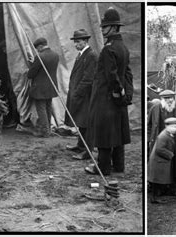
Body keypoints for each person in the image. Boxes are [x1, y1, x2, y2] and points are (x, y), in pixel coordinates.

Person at [84, 7, 134, 175]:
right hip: (119, 100)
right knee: (118, 133)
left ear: (114, 27)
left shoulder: (108, 49)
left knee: (104, 134)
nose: (103, 29)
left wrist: (116, 92)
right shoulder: (123, 48)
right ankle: (119, 166)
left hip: (106, 99)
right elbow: (128, 74)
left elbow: (112, 76)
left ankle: (103, 168)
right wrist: (126, 95)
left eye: (105, 27)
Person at [147, 90, 176, 196]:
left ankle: (175, 188)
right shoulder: (155, 109)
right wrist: (149, 139)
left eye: (171, 98)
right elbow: (149, 126)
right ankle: (159, 189)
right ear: (162, 99)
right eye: (166, 98)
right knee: (159, 165)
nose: (169, 100)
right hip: (160, 142)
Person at [65, 29, 98, 160]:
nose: (75, 44)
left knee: (86, 124)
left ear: (85, 41)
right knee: (81, 122)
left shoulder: (91, 56)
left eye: (78, 42)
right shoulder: (82, 55)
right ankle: (80, 145)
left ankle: (87, 151)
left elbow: (88, 79)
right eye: (75, 42)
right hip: (80, 95)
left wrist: (77, 93)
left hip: (86, 96)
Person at [27, 37, 60, 137]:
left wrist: (32, 65)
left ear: (41, 46)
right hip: (51, 85)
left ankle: (44, 131)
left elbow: (31, 74)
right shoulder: (55, 55)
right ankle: (48, 129)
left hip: (40, 87)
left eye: (37, 48)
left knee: (41, 109)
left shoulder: (40, 57)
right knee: (48, 107)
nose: (37, 50)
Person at [148, 117, 176, 204]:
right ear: (167, 126)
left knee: (158, 179)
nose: (175, 129)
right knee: (157, 180)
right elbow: (159, 149)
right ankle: (154, 198)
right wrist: (170, 154)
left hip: (161, 160)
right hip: (158, 161)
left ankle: (156, 196)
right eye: (173, 127)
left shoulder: (168, 134)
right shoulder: (163, 136)